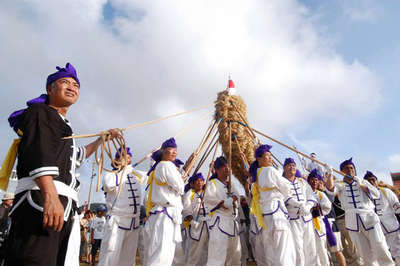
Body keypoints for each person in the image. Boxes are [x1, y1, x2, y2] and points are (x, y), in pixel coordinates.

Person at [4, 63, 119, 266]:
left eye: (75, 85)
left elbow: (77, 157)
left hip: (63, 206)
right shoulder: (40, 113)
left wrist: (102, 139)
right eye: (64, 82)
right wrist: (50, 196)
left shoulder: (62, 125)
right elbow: (38, 154)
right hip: (41, 201)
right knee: (34, 260)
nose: (71, 87)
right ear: (50, 89)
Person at [326, 158, 394, 266]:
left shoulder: (363, 181)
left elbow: (376, 194)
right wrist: (330, 174)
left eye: (352, 168)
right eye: (347, 168)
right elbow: (330, 189)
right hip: (353, 221)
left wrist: (363, 186)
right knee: (364, 252)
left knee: (380, 245)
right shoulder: (340, 184)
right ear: (342, 171)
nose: (350, 170)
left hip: (369, 218)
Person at [249, 145, 297, 265]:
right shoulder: (270, 170)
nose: (271, 159)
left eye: (271, 156)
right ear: (259, 159)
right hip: (277, 213)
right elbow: (287, 188)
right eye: (268, 156)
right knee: (284, 250)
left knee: (270, 252)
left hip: (265, 216)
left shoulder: (256, 176)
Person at [99, 146, 145, 266]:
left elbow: (152, 177)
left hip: (133, 222)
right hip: (117, 221)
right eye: (124, 157)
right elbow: (109, 185)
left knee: (128, 259)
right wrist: (124, 172)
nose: (127, 159)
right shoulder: (111, 174)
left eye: (128, 157)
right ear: (117, 160)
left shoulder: (135, 175)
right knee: (110, 257)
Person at [143, 137, 185, 266]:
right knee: (161, 256)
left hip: (165, 215)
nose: (173, 152)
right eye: (170, 150)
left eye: (175, 150)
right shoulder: (166, 165)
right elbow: (181, 187)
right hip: (165, 215)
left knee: (164, 255)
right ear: (163, 152)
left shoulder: (161, 166)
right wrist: (180, 180)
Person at [203, 156, 241, 266]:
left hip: (232, 223)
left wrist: (232, 199)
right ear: (217, 170)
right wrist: (227, 201)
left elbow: (237, 198)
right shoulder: (212, 183)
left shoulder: (231, 184)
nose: (227, 169)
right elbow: (209, 200)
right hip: (220, 222)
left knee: (234, 256)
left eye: (228, 167)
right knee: (217, 255)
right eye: (224, 167)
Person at [282, 157, 317, 266]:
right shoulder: (282, 182)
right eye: (289, 165)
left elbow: (311, 197)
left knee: (311, 246)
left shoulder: (302, 182)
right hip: (293, 219)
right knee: (297, 248)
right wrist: (299, 204)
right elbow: (285, 197)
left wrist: (308, 206)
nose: (292, 167)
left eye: (293, 165)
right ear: (284, 168)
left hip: (307, 218)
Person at [364, 171, 400, 264]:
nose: (371, 182)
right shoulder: (364, 194)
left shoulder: (386, 191)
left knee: (398, 251)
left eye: (373, 180)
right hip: (375, 229)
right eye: (369, 180)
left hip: (391, 227)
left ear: (376, 181)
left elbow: (396, 205)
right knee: (381, 253)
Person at [182, 172, 209, 266]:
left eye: (201, 180)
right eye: (197, 181)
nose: (200, 183)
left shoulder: (207, 193)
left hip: (208, 225)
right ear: (192, 184)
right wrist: (192, 222)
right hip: (196, 225)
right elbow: (186, 211)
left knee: (207, 252)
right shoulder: (189, 195)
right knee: (194, 253)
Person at [307, 169, 332, 266]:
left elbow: (328, 206)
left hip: (319, 224)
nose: (314, 182)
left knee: (322, 248)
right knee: (311, 249)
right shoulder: (305, 193)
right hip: (308, 224)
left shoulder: (321, 194)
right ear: (308, 181)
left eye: (316, 180)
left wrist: (318, 210)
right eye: (312, 180)